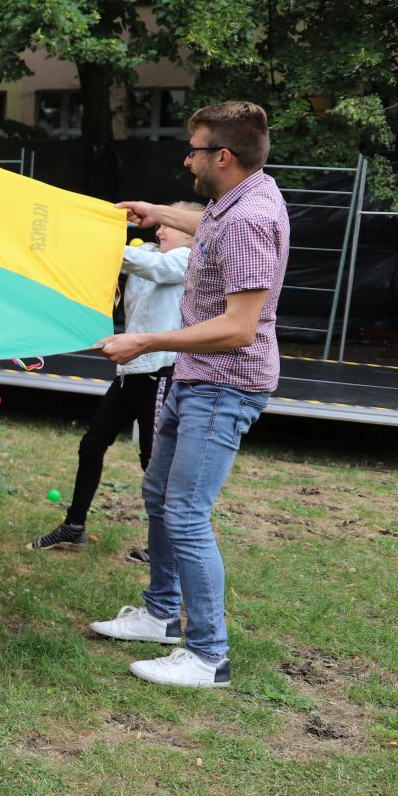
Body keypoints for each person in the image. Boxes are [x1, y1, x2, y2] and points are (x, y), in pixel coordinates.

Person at [90, 102, 290, 689]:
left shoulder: (251, 218)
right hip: (194, 375)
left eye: (194, 149)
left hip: (224, 383)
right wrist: (156, 211)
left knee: (185, 512)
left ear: (222, 157)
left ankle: (208, 656)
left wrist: (147, 339)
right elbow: (216, 227)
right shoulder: (241, 199)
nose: (187, 158)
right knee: (160, 493)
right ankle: (160, 616)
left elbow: (239, 327)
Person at [28, 202, 202, 560]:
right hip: (129, 374)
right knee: (92, 445)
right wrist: (98, 230)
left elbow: (152, 267)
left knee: (154, 463)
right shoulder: (149, 252)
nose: (160, 229)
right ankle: (73, 526)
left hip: (159, 375)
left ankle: (162, 548)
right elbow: (120, 266)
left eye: (170, 224)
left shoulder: (188, 262)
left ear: (190, 232)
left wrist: (103, 242)